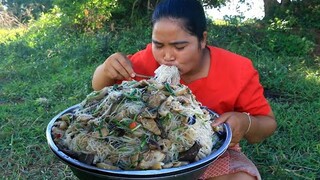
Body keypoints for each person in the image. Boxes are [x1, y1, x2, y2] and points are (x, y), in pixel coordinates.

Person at [92, 0, 277, 179]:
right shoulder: (145, 61)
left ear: (202, 39)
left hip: (208, 153)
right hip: (146, 152)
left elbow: (267, 123)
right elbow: (100, 89)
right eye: (158, 45)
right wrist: (106, 69)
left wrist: (245, 123)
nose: (167, 56)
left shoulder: (237, 70)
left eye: (179, 47)